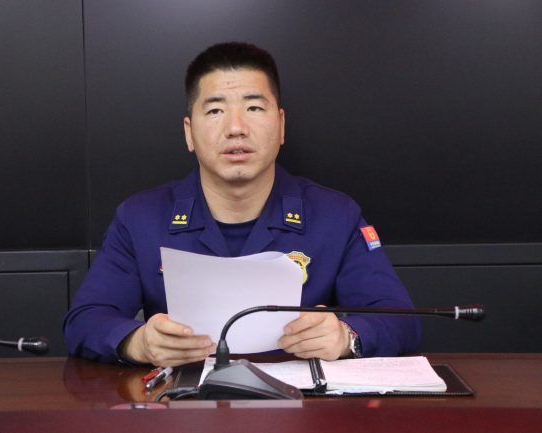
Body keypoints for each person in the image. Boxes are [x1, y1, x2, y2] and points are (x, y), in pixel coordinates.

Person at [63, 42, 421, 367]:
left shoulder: (335, 216)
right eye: (215, 110)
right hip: (184, 402)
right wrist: (138, 342)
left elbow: (402, 320)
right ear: (189, 132)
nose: (236, 128)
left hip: (303, 405)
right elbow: (85, 319)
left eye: (253, 107)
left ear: (280, 125)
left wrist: (346, 336)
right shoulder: (140, 218)